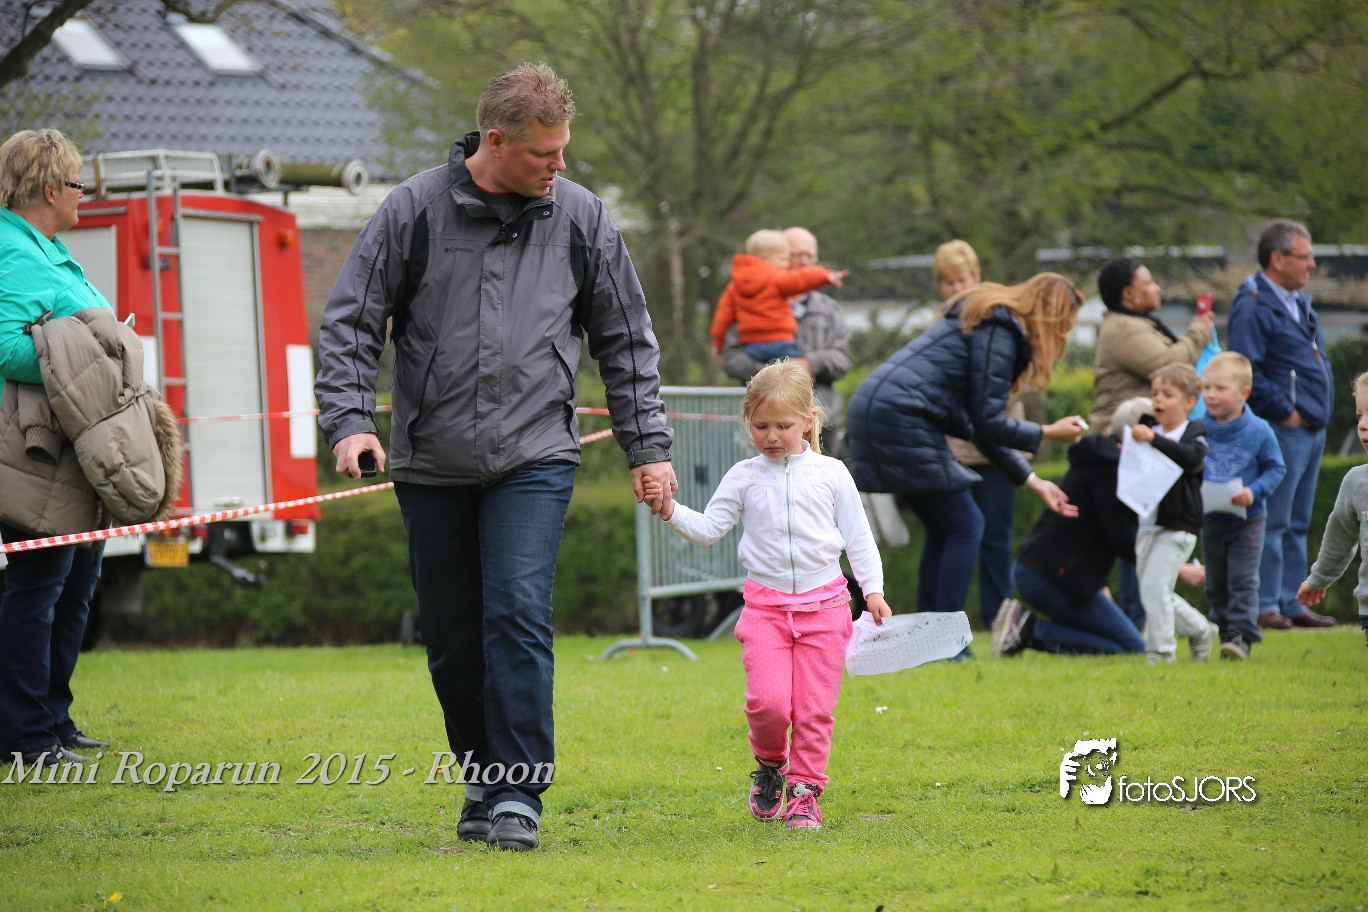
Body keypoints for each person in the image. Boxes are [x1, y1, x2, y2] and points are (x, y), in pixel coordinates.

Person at [314, 64, 677, 852]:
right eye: (545, 153)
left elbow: (626, 339)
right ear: (496, 140)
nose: (559, 165)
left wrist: (647, 447)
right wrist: (349, 423)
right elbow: (351, 321)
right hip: (430, 458)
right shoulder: (412, 210)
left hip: (534, 454)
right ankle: (480, 775)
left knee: (515, 613)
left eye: (563, 149)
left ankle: (518, 792)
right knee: (451, 635)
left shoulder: (581, 217)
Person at [641, 361, 890, 831]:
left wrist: (872, 591)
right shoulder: (744, 476)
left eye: (783, 425)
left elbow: (859, 539)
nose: (772, 436)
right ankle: (771, 764)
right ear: (747, 423)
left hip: (826, 610)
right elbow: (709, 529)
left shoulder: (832, 473)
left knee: (814, 711)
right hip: (766, 611)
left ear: (808, 422)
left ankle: (805, 794)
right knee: (769, 705)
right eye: (761, 426)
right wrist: (670, 509)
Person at [846, 273, 1088, 624]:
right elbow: (989, 423)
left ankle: (930, 636)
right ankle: (947, 639)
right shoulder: (1002, 332)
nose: (1062, 335)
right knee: (966, 525)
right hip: (902, 416)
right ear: (1050, 315)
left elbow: (978, 428)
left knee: (947, 527)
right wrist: (1049, 431)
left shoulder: (986, 325)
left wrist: (1034, 481)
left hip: (880, 409)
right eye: (1064, 325)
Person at [0, 128, 110, 767]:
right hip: (32, 450)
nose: (82, 194)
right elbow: (7, 348)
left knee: (75, 582)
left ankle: (53, 719)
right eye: (76, 183)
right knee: (39, 584)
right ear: (48, 189)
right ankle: (24, 736)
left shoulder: (48, 249)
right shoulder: (12, 251)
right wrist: (87, 353)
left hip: (73, 444)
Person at [1091, 256, 1214, 628]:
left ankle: (1146, 616)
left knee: (1145, 526)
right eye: (1148, 281)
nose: (1156, 287)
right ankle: (1138, 615)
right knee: (1139, 526)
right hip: (1126, 440)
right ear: (1128, 293)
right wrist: (1199, 331)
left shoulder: (1134, 323)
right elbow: (1167, 364)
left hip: (1142, 440)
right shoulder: (1123, 328)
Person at [1228, 219, 1336, 630]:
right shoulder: (1253, 304)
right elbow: (1247, 369)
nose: (1312, 265)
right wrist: (1286, 411)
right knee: (1272, 519)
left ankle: (1292, 601)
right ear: (1277, 259)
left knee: (1297, 520)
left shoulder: (1299, 302)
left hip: (1310, 427)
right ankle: (1264, 604)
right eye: (1304, 257)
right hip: (1284, 427)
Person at [990, 399, 1149, 658]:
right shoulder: (1112, 468)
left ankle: (1027, 626)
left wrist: (1100, 583)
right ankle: (1030, 630)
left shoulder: (1102, 460)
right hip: (1052, 577)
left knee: (1125, 643)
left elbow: (1096, 527)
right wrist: (1175, 566)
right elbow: (1121, 536)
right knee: (1133, 648)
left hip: (1047, 572)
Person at [934, 240, 1031, 630]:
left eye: (963, 279)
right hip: (954, 449)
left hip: (998, 447)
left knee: (996, 535)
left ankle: (998, 617)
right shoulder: (938, 325)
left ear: (977, 277)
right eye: (950, 282)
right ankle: (947, 619)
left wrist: (985, 402)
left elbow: (1017, 380)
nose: (958, 288)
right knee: (956, 533)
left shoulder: (1000, 320)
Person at [719, 226, 853, 456]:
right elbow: (730, 357)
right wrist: (775, 375)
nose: (803, 261)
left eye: (809, 256)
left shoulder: (828, 309)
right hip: (764, 428)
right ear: (774, 256)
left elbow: (843, 358)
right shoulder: (748, 303)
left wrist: (809, 364)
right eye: (795, 254)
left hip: (821, 422)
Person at [1128, 364, 1218, 663]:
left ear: (1190, 402)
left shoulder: (1195, 433)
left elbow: (1192, 459)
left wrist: (1153, 440)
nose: (1158, 399)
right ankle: (1200, 629)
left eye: (1167, 394)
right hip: (1147, 523)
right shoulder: (1145, 427)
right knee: (1153, 591)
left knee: (1155, 589)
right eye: (1155, 393)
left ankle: (1161, 654)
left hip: (1179, 526)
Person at [1200, 352, 1287, 660]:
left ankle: (1240, 637)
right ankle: (1224, 631)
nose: (1211, 395)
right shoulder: (1196, 428)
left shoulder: (1259, 430)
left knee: (1243, 579)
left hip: (1248, 520)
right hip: (1211, 520)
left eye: (1220, 388)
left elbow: (1276, 468)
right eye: (1206, 387)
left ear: (1244, 393)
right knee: (1216, 583)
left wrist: (1253, 491)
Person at [1297, 370, 1368, 648]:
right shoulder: (1357, 482)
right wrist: (1319, 578)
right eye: (1359, 415)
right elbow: (1339, 539)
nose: (1363, 425)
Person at [709, 228, 847, 363]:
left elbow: (722, 316)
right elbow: (802, 278)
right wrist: (826, 276)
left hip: (751, 346)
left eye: (810, 256)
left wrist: (716, 342)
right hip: (781, 344)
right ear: (765, 258)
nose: (803, 262)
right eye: (789, 257)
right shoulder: (777, 278)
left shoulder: (735, 286)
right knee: (795, 368)